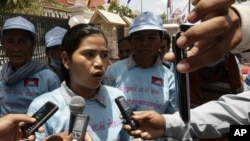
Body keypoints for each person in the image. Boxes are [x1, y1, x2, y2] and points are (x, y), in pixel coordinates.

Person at [122, 0, 250, 140]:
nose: (145, 43)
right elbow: (236, 110)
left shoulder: (232, 64)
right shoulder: (182, 67)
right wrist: (170, 124)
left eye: (151, 37)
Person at [27, 24, 129, 141]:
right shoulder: (42, 107)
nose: (99, 63)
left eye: (104, 55)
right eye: (89, 54)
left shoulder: (117, 98)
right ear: (66, 60)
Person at [103, 12, 177, 115]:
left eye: (151, 38)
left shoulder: (169, 77)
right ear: (132, 41)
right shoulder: (113, 71)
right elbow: (103, 107)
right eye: (139, 38)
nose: (145, 43)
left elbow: (171, 116)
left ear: (160, 41)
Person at [0, 16, 61, 116]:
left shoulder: (48, 78)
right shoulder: (2, 74)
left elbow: (56, 116)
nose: (16, 49)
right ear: (4, 44)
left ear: (33, 45)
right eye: (11, 41)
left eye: (22, 42)